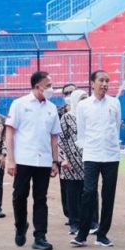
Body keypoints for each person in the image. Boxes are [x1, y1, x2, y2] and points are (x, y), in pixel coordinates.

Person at [5, 71, 61, 250]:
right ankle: (20, 226)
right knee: (19, 195)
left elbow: (54, 137)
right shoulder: (19, 104)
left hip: (43, 160)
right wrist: (11, 159)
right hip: (23, 159)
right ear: (38, 86)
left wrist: (55, 161)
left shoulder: (52, 108)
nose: (51, 88)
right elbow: (10, 132)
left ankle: (40, 236)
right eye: (48, 85)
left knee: (41, 198)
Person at [71, 70, 121, 248]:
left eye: (107, 81)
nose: (105, 84)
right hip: (92, 154)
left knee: (108, 194)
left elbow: (115, 126)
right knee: (88, 192)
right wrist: (88, 148)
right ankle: (82, 234)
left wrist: (111, 146)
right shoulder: (83, 106)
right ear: (92, 83)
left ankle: (102, 234)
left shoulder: (115, 103)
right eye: (101, 80)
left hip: (111, 155)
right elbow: (81, 131)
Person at [58, 88, 88, 236]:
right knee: (72, 193)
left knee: (89, 192)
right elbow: (61, 139)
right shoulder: (66, 118)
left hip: (88, 160)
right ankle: (74, 222)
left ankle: (91, 221)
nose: (84, 102)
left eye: (86, 98)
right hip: (70, 162)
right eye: (81, 99)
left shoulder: (91, 116)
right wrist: (63, 158)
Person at [57, 82, 77, 223]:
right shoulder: (59, 112)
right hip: (63, 153)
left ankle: (85, 214)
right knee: (65, 185)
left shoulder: (84, 109)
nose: (69, 95)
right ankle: (70, 214)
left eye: (72, 92)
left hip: (82, 154)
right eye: (66, 93)